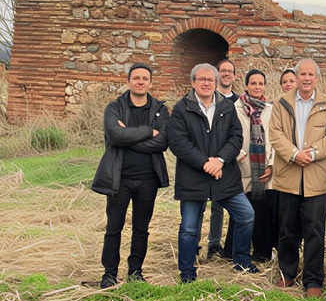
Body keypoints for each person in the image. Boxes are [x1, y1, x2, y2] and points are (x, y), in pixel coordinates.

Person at [167, 63, 258, 283]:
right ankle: (187, 271)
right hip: (193, 178)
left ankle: (242, 261)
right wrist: (204, 163)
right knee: (189, 228)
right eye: (202, 79)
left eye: (210, 80)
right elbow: (178, 142)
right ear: (193, 82)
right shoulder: (181, 108)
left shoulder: (227, 106)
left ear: (216, 83)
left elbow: (235, 137)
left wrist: (219, 160)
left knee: (246, 215)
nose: (206, 83)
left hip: (224, 176)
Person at [92, 63, 169, 288]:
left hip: (148, 179)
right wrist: (147, 131)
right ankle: (109, 274)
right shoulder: (114, 107)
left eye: (145, 78)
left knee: (141, 229)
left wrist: (128, 137)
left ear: (151, 83)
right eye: (136, 78)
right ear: (128, 81)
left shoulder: (160, 109)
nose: (140, 82)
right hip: (119, 179)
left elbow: (163, 142)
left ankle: (135, 273)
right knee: (113, 228)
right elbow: (114, 136)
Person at [269, 59, 326, 298]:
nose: (306, 78)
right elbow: (275, 134)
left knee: (314, 232)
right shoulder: (281, 103)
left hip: (316, 179)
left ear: (317, 78)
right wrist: (293, 154)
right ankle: (287, 273)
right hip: (287, 177)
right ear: (296, 77)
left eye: (311, 74)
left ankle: (313, 280)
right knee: (287, 229)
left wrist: (312, 153)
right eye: (302, 74)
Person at [235, 69, 277, 263]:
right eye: (253, 83)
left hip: (266, 168)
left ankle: (263, 254)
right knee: (245, 213)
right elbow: (229, 136)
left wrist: (271, 164)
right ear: (246, 85)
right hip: (244, 166)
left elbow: (276, 137)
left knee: (265, 214)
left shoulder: (271, 109)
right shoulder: (235, 108)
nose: (257, 87)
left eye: (261, 83)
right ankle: (239, 253)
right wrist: (241, 156)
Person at [204, 59, 241, 260]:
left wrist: (225, 157)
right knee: (203, 206)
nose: (226, 74)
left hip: (231, 159)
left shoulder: (239, 101)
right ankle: (210, 244)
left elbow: (238, 133)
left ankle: (227, 246)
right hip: (206, 161)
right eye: (223, 71)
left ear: (234, 76)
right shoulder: (208, 97)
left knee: (226, 205)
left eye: (230, 71)